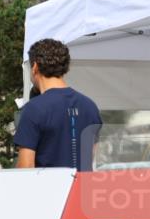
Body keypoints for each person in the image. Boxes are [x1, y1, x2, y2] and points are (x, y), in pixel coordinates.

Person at [14, 38, 102, 170]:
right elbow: (91, 156)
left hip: (49, 189)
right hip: (82, 188)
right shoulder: (90, 106)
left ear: (35, 67)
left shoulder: (33, 109)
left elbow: (26, 168)